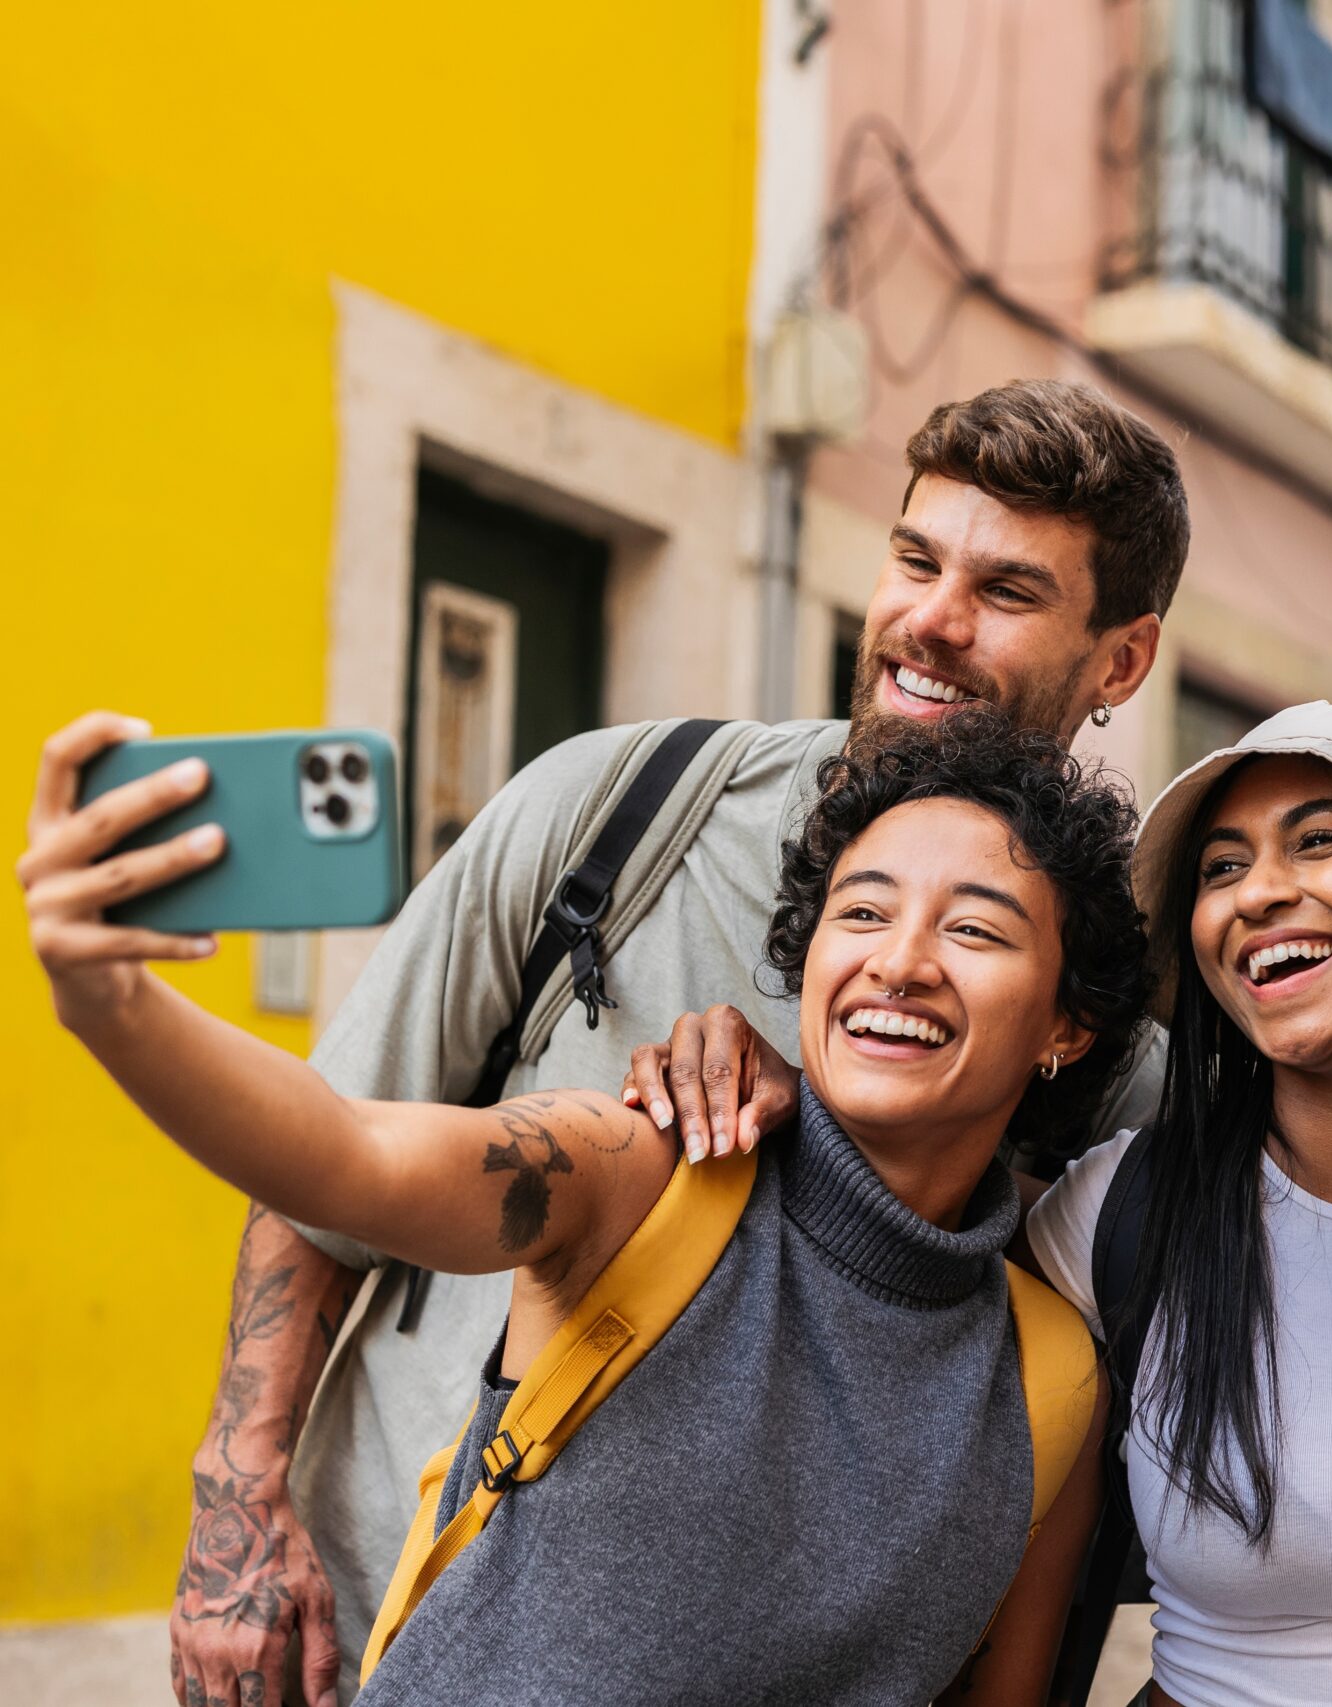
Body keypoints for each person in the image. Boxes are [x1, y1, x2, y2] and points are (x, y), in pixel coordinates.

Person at [12, 377, 1188, 1707]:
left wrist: (836, 1115)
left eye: (1009, 589)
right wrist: (237, 1494)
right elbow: (341, 1148)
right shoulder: (628, 812)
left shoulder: (1107, 1120)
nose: (931, 616)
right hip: (367, 1617)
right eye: (914, 557)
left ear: (1123, 658)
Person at [630, 704, 1332, 1707]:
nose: (1261, 891)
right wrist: (790, 1099)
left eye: (1317, 842)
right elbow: (892, 1246)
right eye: (1221, 869)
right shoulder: (1118, 1214)